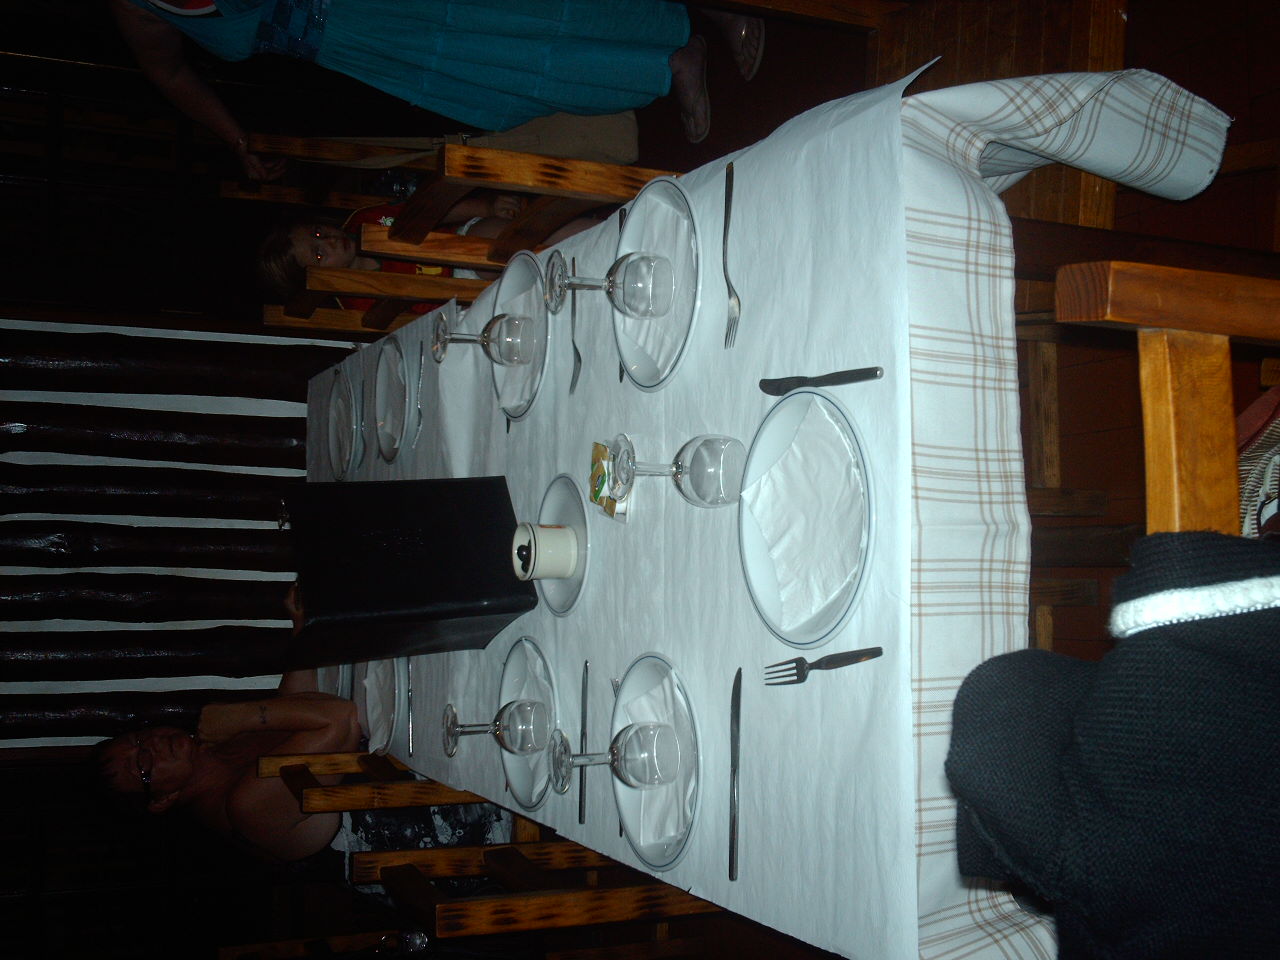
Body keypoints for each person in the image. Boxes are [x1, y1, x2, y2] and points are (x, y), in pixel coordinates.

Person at [109, 1, 766, 179]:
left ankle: (714, 9)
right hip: (363, 44)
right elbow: (170, 73)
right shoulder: (139, 10)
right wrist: (237, 140)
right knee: (504, 71)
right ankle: (666, 64)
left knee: (532, 8)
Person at [94, 668, 363, 862]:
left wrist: (304, 631)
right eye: (143, 762)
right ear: (162, 800)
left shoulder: (217, 750)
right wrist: (242, 716)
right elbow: (341, 717)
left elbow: (300, 701)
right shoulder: (245, 809)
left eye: (139, 738)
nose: (152, 744)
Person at [257, 194, 600, 306]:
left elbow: (433, 211)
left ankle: (603, 234)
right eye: (320, 254)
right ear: (319, 280)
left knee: (495, 244)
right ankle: (585, 275)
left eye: (319, 233)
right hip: (460, 298)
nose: (331, 241)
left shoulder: (365, 221)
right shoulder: (354, 300)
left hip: (459, 242)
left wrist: (487, 206)